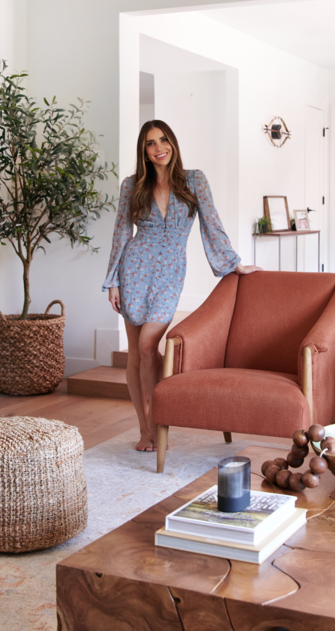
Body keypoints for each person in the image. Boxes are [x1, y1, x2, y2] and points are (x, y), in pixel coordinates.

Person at [103, 121, 261, 452]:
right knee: (136, 354)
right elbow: (121, 232)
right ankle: (145, 429)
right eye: (150, 143)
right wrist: (113, 280)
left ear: (172, 143)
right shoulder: (132, 185)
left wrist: (235, 263)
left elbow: (211, 221)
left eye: (163, 140)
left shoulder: (194, 180)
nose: (158, 147)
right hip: (134, 267)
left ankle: (161, 417)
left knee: (149, 346)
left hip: (170, 272)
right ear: (143, 150)